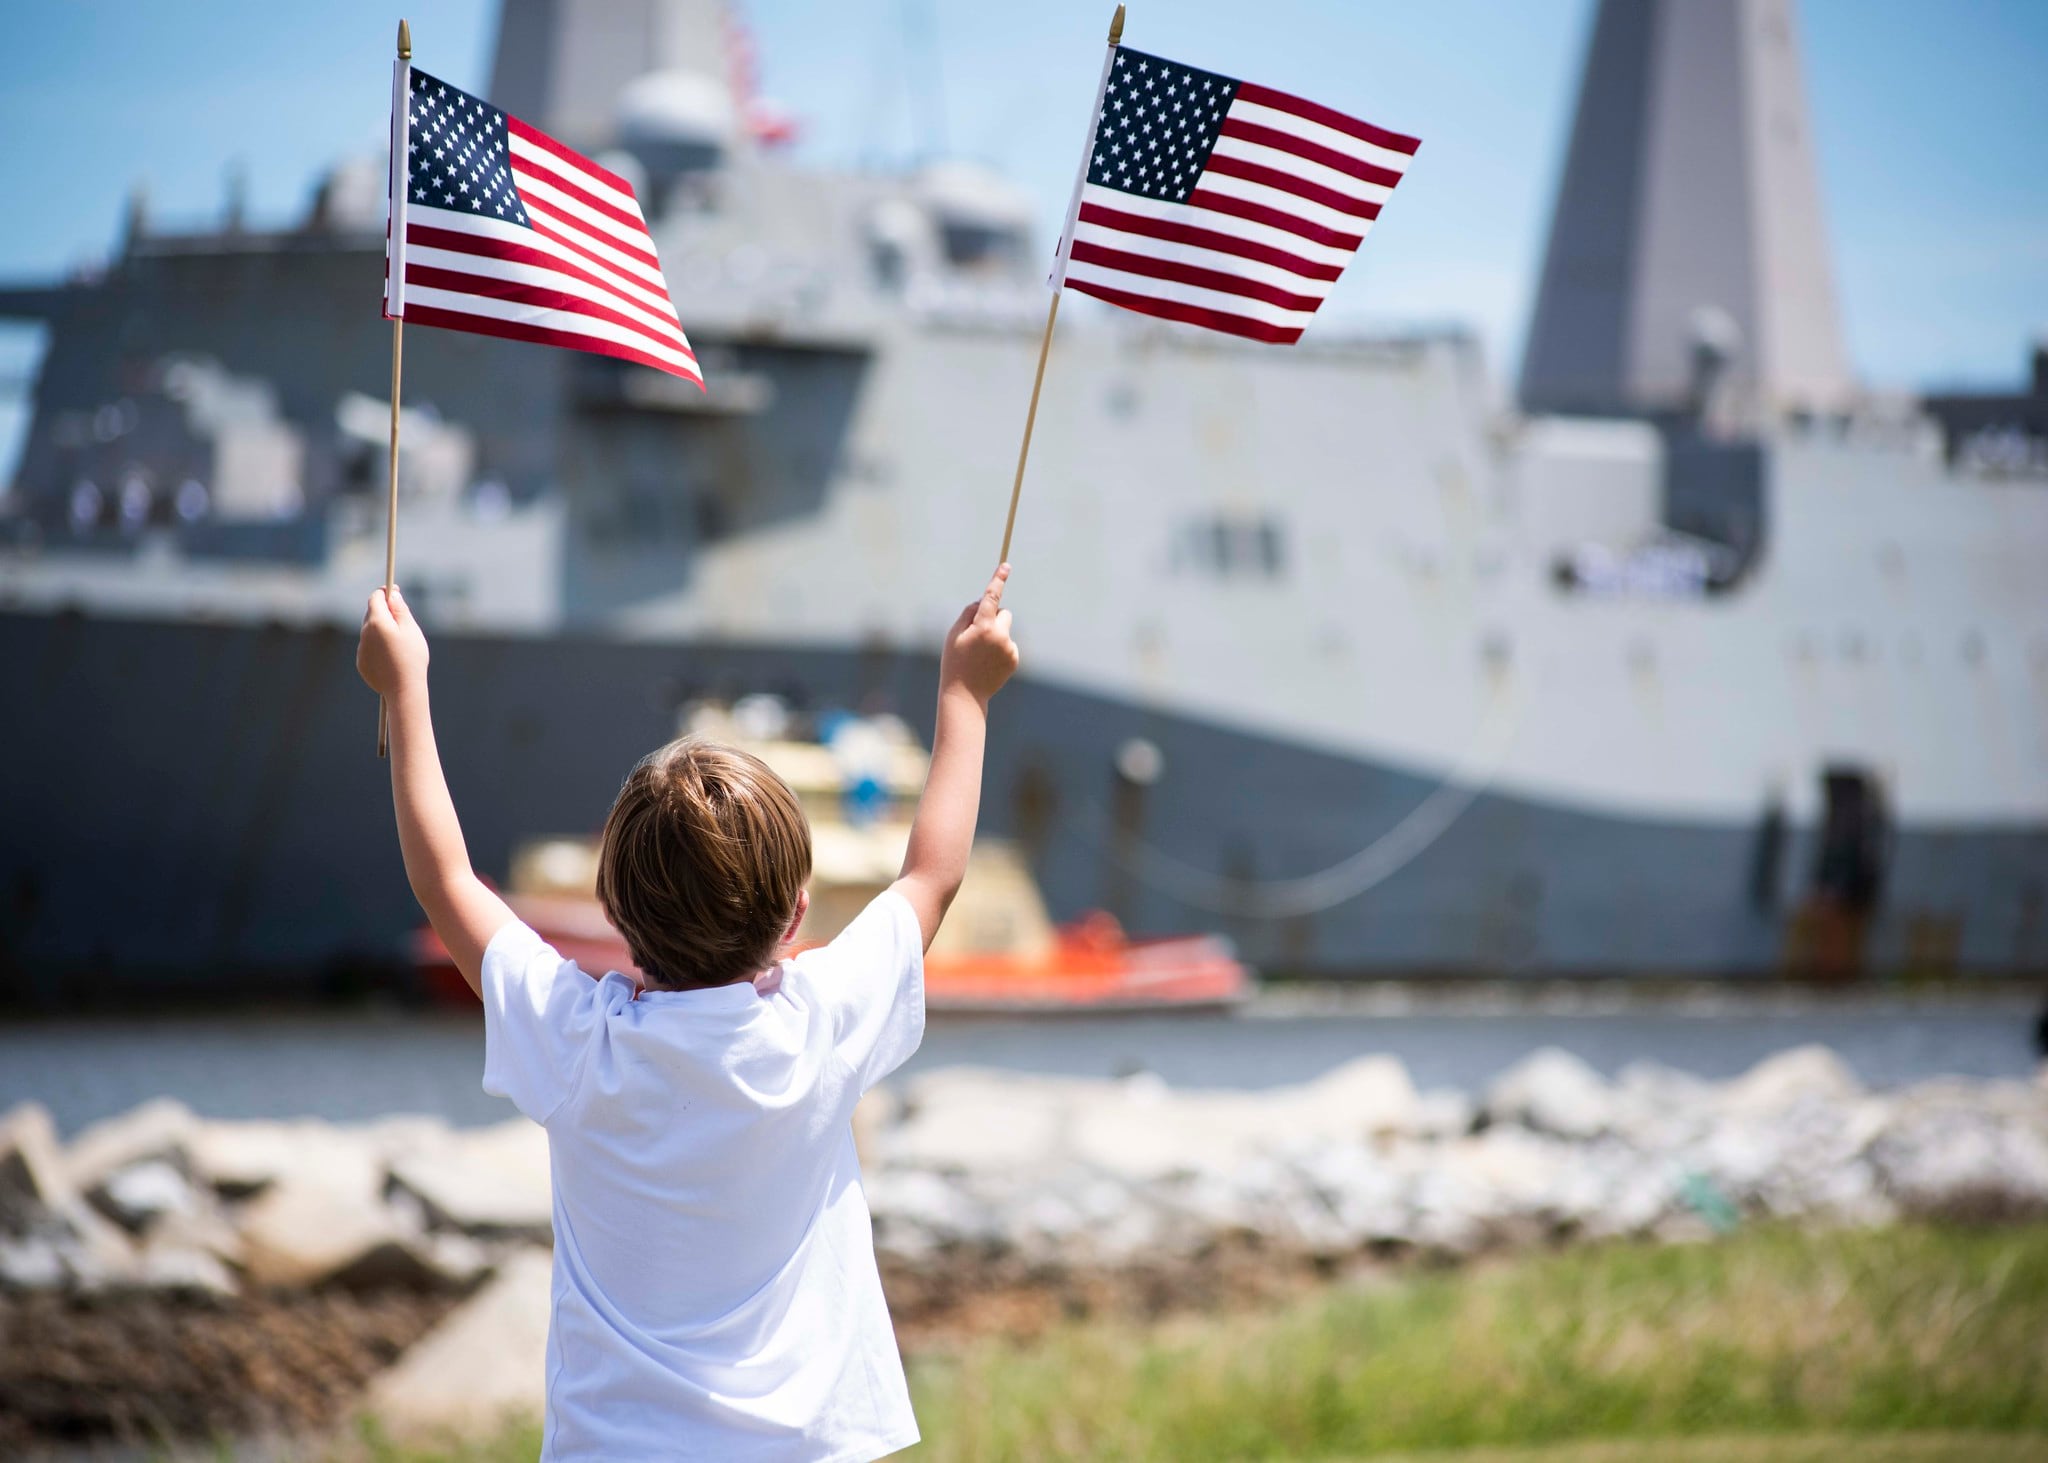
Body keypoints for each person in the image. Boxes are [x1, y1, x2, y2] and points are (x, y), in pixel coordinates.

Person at [355, 565, 1020, 1461]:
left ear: (614, 913)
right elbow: (930, 874)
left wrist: (406, 689)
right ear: (795, 917)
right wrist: (964, 694)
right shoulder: (818, 1025)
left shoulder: (578, 1041)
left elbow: (444, 881)